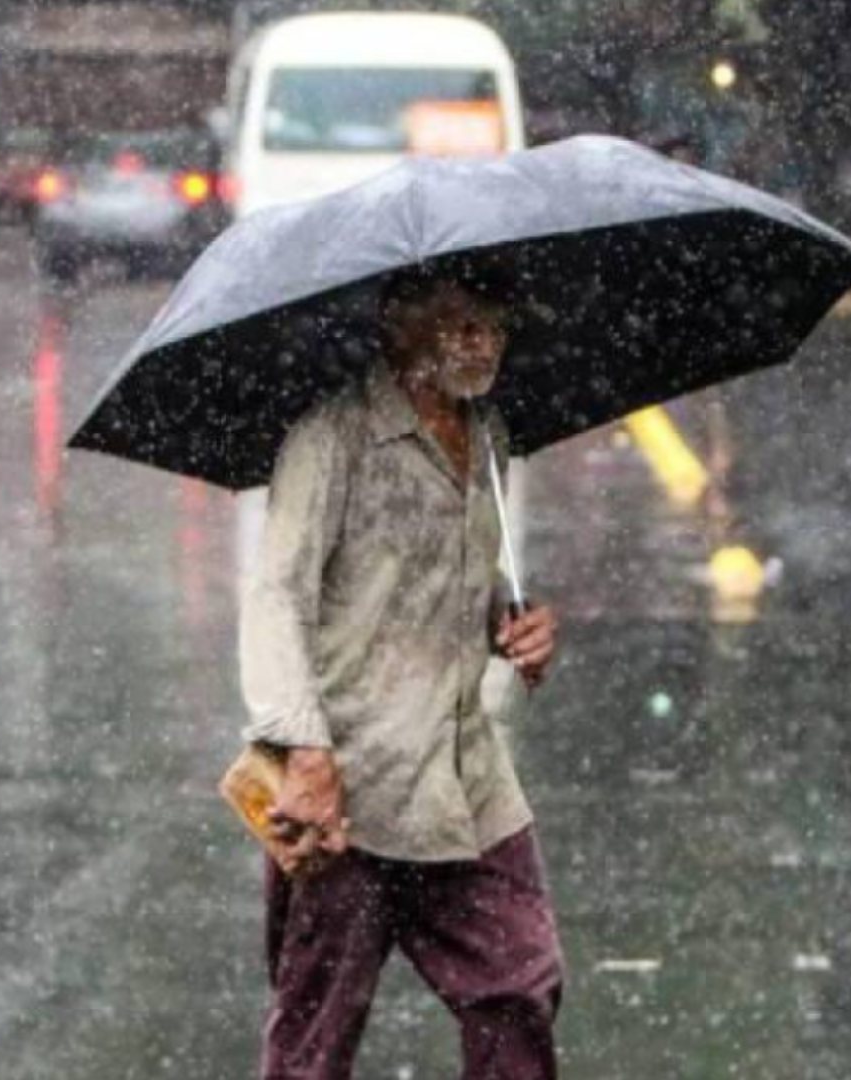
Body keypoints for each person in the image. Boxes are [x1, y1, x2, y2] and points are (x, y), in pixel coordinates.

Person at [239, 268, 564, 1079]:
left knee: (519, 988)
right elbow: (277, 597)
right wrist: (303, 752)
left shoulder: (489, 436)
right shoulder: (333, 438)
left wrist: (513, 624)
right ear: (401, 326)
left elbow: (444, 582)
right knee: (317, 1035)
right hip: (352, 784)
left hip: (467, 781)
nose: (482, 343)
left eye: (493, 324)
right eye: (459, 325)